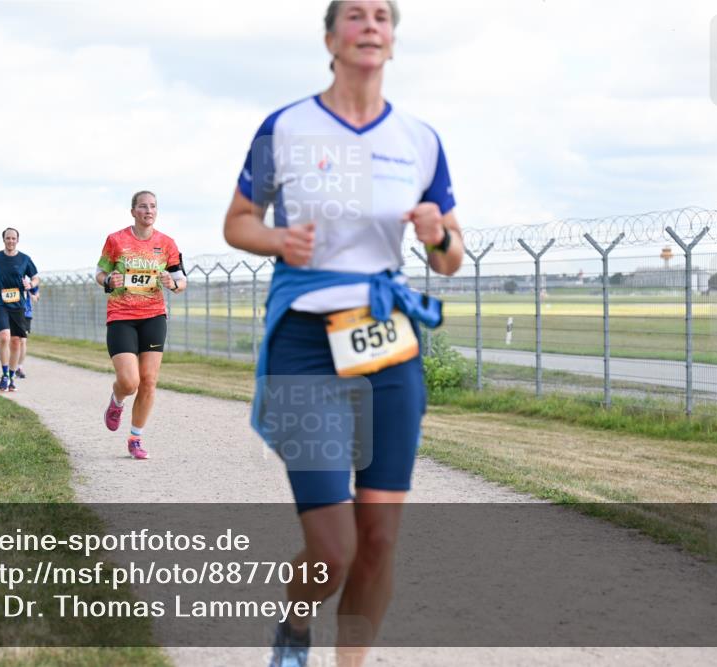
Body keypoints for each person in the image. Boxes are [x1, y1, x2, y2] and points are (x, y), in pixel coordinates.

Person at [222, 2, 464, 665]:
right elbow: (238, 220)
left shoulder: (419, 139)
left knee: (380, 536)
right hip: (305, 343)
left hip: (387, 340)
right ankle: (295, 621)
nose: (370, 24)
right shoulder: (286, 127)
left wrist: (438, 234)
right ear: (331, 38)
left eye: (382, 16)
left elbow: (450, 256)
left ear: (392, 40)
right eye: (354, 14)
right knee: (335, 547)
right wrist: (276, 238)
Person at [96, 190, 187, 460]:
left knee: (148, 381)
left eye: (153, 207)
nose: (149, 211)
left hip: (153, 316)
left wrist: (174, 284)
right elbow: (99, 273)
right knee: (130, 381)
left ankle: (135, 438)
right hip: (122, 315)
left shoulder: (167, 243)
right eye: (143, 206)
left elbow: (181, 281)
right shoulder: (116, 240)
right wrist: (108, 281)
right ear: (133, 211)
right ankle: (117, 399)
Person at [0, 228, 39, 392]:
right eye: (8, 238)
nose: (10, 241)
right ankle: (4, 375)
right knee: (4, 336)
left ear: (17, 240)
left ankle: (12, 374)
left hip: (17, 304)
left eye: (13, 238)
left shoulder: (24, 259)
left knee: (16, 342)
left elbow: (36, 277)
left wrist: (31, 285)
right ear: (3, 240)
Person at [14, 283, 38, 379]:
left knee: (23, 340)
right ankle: (9, 367)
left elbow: (36, 293)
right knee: (13, 340)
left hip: (25, 313)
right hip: (11, 311)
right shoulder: (8, 275)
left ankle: (19, 368)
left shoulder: (28, 279)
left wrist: (34, 296)